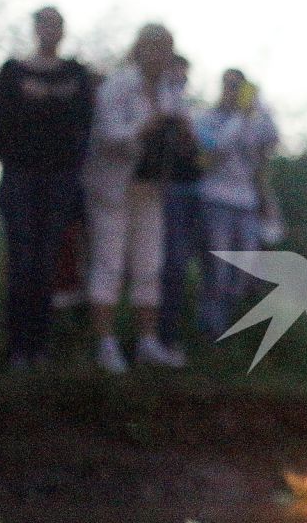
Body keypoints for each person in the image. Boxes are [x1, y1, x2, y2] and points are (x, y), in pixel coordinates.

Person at [0, 7, 95, 369]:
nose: (50, 31)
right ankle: (17, 348)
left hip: (59, 180)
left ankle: (39, 347)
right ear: (35, 29)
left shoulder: (76, 74)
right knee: (22, 259)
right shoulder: (13, 73)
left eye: (57, 25)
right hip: (20, 178)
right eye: (45, 24)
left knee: (46, 261)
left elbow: (85, 125)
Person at [84, 23, 190, 373]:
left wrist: (183, 134)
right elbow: (106, 133)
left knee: (149, 265)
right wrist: (148, 126)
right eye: (156, 48)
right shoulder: (118, 85)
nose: (162, 57)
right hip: (112, 188)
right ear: (140, 48)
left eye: (167, 50)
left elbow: (184, 136)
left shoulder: (171, 90)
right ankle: (105, 344)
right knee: (109, 264)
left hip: (152, 190)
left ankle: (148, 342)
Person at [194, 69, 281, 336]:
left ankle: (230, 328)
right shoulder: (208, 119)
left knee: (243, 271)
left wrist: (260, 106)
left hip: (247, 205)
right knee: (218, 269)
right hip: (215, 201)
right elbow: (217, 147)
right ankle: (210, 331)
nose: (234, 91)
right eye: (230, 85)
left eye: (239, 86)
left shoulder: (253, 121)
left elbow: (273, 138)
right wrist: (240, 117)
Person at [155, 53, 204, 359]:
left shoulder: (192, 112)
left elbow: (201, 156)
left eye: (183, 75)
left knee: (175, 266)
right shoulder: (151, 104)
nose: (179, 80)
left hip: (186, 194)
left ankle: (167, 338)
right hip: (154, 193)